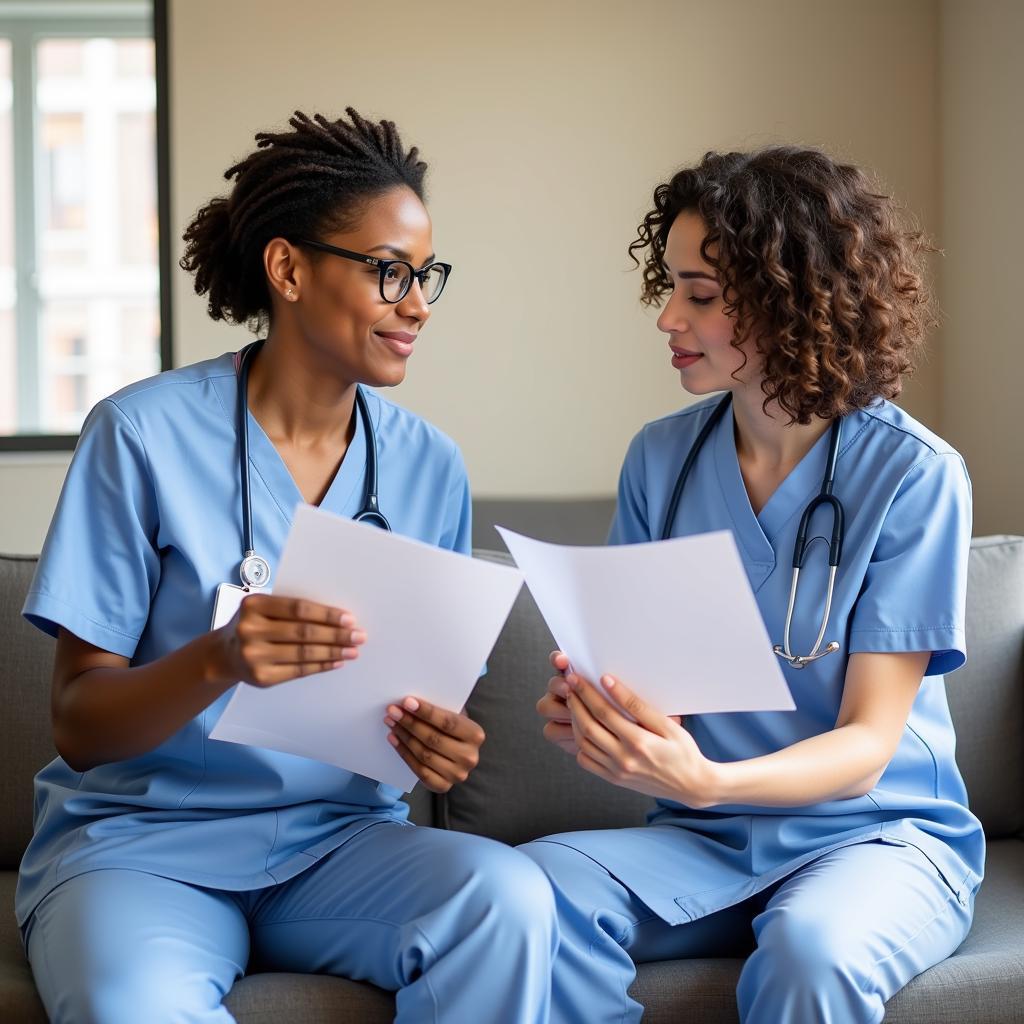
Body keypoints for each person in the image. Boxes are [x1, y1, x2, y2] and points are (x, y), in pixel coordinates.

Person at [18, 109, 555, 1024]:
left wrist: (440, 745)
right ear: (289, 268)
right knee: (130, 1005)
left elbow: (426, 707)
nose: (417, 302)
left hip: (338, 846)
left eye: (425, 276)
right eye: (389, 271)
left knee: (507, 902)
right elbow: (79, 724)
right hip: (144, 848)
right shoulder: (141, 434)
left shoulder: (431, 465)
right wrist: (218, 660)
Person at [523, 146, 982, 1023]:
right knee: (526, 894)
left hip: (877, 836)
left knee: (811, 951)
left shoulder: (914, 476)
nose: (666, 317)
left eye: (699, 294)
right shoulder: (661, 459)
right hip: (708, 841)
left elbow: (869, 744)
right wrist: (602, 710)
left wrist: (708, 782)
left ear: (790, 300)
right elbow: (660, 692)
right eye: (670, 286)